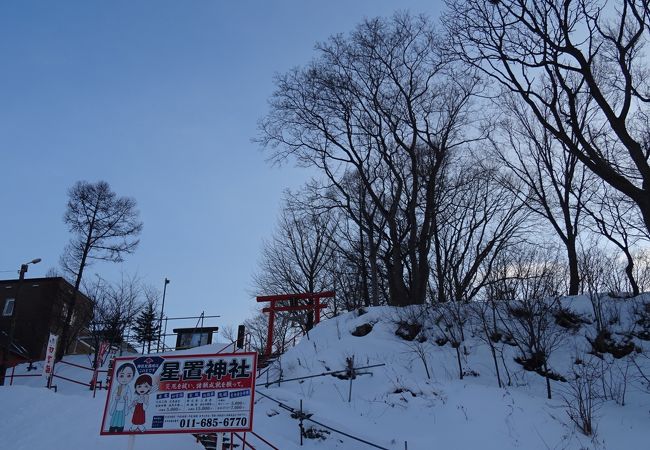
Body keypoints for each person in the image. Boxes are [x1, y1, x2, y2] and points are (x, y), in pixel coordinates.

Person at [108, 363, 135, 432]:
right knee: (113, 426)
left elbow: (129, 404)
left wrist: (126, 401)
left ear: (132, 377)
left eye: (128, 375)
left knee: (120, 426)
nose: (124, 379)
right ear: (117, 377)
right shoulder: (117, 388)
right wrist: (116, 400)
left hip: (123, 411)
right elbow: (112, 401)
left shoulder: (128, 390)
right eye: (122, 375)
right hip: (115, 410)